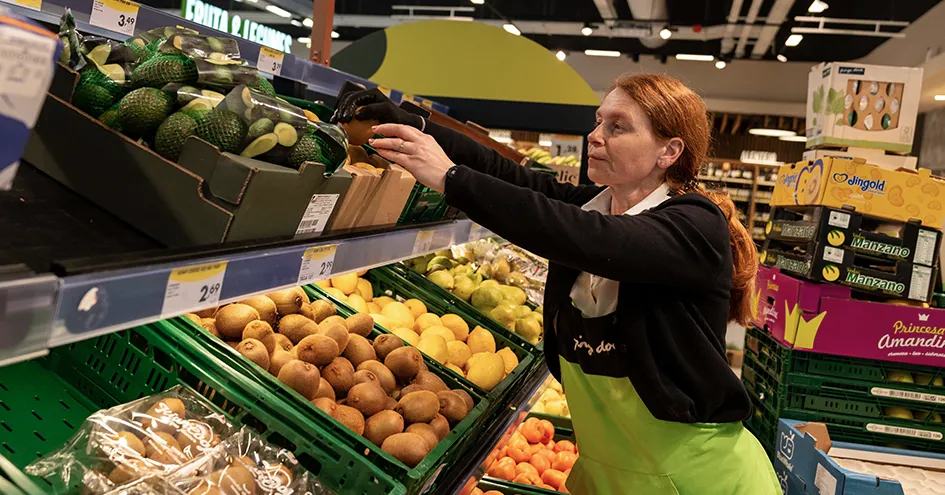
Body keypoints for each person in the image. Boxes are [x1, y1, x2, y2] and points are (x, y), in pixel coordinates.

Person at [333, 73, 781, 495]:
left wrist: (450, 179)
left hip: (699, 479)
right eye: (598, 121)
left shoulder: (694, 225)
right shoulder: (595, 205)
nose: (596, 135)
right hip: (610, 474)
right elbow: (512, 177)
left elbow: (580, 236)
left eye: (619, 126)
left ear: (669, 152)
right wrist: (409, 124)